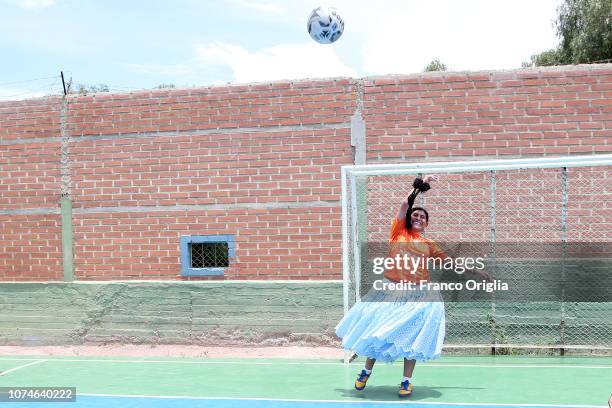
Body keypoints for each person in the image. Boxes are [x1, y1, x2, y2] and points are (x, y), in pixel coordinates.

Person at [335, 175, 488, 397]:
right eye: (415, 215)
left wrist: (477, 272)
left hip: (418, 295)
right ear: (409, 219)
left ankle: (406, 381)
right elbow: (405, 204)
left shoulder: (429, 245)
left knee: (411, 338)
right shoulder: (398, 232)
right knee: (379, 333)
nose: (418, 217)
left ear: (426, 224)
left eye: (422, 217)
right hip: (390, 291)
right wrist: (418, 187)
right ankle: (366, 371)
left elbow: (452, 264)